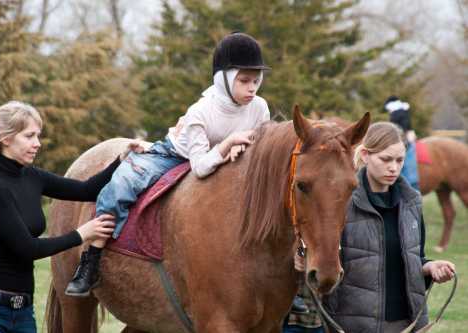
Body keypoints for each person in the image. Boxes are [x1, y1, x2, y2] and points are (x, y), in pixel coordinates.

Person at [65, 32, 272, 296]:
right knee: (121, 185)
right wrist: (227, 145)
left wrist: (239, 149)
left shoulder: (259, 107)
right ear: (224, 79)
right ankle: (91, 261)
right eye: (244, 81)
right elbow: (200, 167)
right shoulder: (201, 111)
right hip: (174, 155)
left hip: (227, 157)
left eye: (256, 81)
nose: (252, 88)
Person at [0, 101, 136, 332]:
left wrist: (121, 160)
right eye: (29, 136)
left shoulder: (32, 176)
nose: (37, 144)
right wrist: (82, 233)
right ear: (6, 139)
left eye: (38, 135)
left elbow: (86, 190)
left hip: (23, 311)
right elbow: (27, 248)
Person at [295, 122, 455, 333]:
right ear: (365, 155)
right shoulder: (344, 203)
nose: (394, 167)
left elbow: (414, 258)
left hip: (406, 324)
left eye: (399, 160)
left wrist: (430, 268)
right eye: (386, 159)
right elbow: (325, 260)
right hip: (351, 324)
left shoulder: (412, 202)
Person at [384, 96, 419, 190]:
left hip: (404, 139)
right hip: (405, 137)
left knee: (407, 158)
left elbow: (401, 129)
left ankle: (411, 184)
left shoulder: (397, 113)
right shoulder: (401, 111)